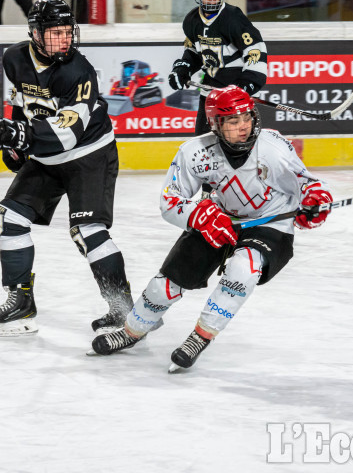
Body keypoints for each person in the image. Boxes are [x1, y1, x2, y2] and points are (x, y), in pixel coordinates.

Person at [89, 86, 333, 370]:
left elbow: (307, 183)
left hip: (270, 220)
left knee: (243, 270)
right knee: (165, 286)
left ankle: (200, 336)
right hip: (221, 217)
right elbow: (170, 202)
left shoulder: (273, 146)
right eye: (232, 121)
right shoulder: (194, 152)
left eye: (247, 117)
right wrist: (199, 216)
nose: (244, 126)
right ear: (216, 124)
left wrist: (316, 199)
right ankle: (131, 332)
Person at [0, 0, 132, 336]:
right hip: (46, 157)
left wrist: (22, 136)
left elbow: (67, 135)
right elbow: (21, 102)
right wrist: (13, 142)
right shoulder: (14, 58)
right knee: (10, 216)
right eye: (56, 33)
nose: (65, 39)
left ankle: (124, 311)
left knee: (88, 231)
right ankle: (20, 302)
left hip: (89, 155)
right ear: (35, 33)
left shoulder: (78, 71)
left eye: (68, 32)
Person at [168, 0, 268, 136]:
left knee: (239, 145)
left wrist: (246, 85)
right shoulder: (191, 21)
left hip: (236, 95)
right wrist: (182, 69)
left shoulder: (233, 18)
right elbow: (193, 52)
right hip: (210, 94)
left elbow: (255, 51)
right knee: (203, 144)